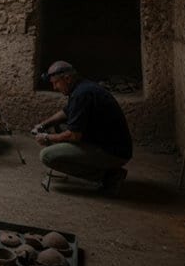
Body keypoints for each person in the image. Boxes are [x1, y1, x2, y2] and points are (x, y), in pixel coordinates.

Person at [33, 61, 132, 194]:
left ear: (67, 79)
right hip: (112, 145)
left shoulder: (82, 94)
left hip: (112, 152)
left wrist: (47, 137)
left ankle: (109, 176)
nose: (54, 87)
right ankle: (107, 171)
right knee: (59, 127)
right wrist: (43, 125)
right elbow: (66, 112)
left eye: (56, 82)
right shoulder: (82, 87)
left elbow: (74, 135)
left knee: (47, 156)